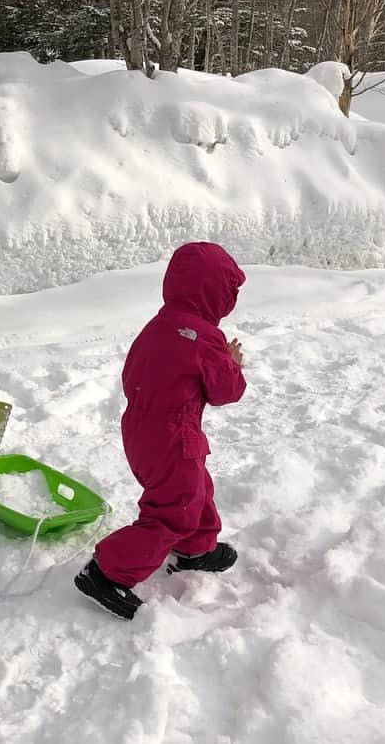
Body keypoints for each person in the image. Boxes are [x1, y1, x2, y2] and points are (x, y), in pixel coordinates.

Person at [75, 242, 246, 619]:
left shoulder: (157, 326)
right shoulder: (205, 338)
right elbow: (225, 392)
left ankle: (195, 548)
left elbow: (134, 373)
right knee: (173, 510)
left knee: (195, 490)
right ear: (214, 292)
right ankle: (105, 571)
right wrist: (231, 364)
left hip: (141, 429)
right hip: (175, 433)